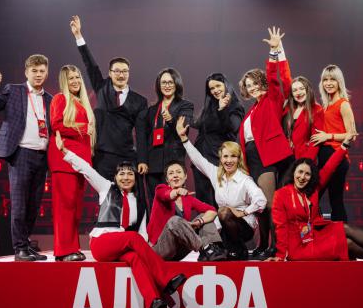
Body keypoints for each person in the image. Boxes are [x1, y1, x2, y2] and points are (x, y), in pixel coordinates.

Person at [55, 132, 186, 308]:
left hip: (121, 245)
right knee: (132, 238)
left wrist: (149, 249)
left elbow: (142, 234)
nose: (126, 177)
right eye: (122, 174)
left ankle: (153, 301)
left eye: (130, 174)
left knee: (135, 257)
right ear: (115, 177)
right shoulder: (106, 188)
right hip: (101, 243)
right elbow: (85, 169)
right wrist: (65, 152)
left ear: (135, 178)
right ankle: (166, 278)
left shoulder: (140, 203)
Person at [267, 135, 363, 261]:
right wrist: (280, 255)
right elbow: (280, 227)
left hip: (316, 235)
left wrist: (343, 146)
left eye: (307, 174)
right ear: (293, 173)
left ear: (311, 177)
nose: (302, 177)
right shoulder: (281, 195)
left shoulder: (313, 189)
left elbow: (329, 167)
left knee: (345, 227)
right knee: (348, 243)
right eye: (300, 172)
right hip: (299, 247)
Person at [0, 55, 52, 261]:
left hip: (42, 156)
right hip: (21, 153)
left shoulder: (50, 99)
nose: (38, 75)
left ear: (46, 73)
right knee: (20, 204)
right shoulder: (14, 90)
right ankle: (19, 248)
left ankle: (26, 244)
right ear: (26, 72)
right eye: (34, 71)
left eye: (41, 71)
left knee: (34, 205)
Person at [176, 116, 266, 260]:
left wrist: (243, 212)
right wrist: (184, 139)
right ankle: (216, 251)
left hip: (244, 228)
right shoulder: (216, 174)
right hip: (224, 226)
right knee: (206, 217)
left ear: (238, 159)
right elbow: (198, 160)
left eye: (233, 156)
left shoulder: (244, 180)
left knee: (223, 212)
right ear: (221, 158)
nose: (228, 160)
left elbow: (261, 200)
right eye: (225, 157)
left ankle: (238, 249)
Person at [69, 15, 148, 180]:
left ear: (129, 73)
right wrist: (78, 36)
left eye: (124, 71)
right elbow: (90, 65)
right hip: (102, 155)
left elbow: (141, 132)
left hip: (127, 156)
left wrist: (142, 159)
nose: (121, 75)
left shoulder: (140, 101)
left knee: (128, 195)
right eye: (117, 71)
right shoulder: (101, 87)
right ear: (110, 74)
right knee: (105, 194)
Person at [238, 26, 293, 259]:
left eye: (254, 83)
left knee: (269, 203)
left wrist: (274, 51)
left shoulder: (272, 98)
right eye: (248, 86)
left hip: (266, 156)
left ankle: (274, 247)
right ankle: (262, 245)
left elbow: (273, 77)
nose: (252, 88)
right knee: (260, 203)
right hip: (252, 158)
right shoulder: (252, 109)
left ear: (262, 82)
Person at [48, 65, 95, 261]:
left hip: (79, 162)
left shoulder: (82, 102)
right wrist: (83, 128)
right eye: (71, 78)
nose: (75, 81)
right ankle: (63, 251)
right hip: (64, 160)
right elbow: (56, 124)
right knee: (65, 207)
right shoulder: (60, 99)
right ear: (64, 82)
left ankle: (72, 248)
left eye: (77, 77)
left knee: (75, 209)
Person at [147, 161, 226, 262]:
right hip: (160, 249)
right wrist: (177, 191)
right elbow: (167, 195)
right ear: (167, 180)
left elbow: (212, 210)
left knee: (203, 216)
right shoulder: (160, 189)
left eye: (178, 172)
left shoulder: (187, 198)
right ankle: (205, 248)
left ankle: (213, 250)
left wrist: (199, 222)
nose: (175, 175)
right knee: (174, 221)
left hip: (178, 251)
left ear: (185, 176)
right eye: (171, 173)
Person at [311, 64, 357, 222]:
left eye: (332, 79)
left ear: (339, 82)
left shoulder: (343, 104)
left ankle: (342, 236)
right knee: (315, 197)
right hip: (325, 156)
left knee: (335, 201)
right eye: (325, 79)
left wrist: (327, 136)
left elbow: (352, 135)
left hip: (337, 156)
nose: (328, 83)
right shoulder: (326, 105)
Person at [191, 73, 245, 206]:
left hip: (218, 160)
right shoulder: (209, 107)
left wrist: (222, 109)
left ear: (226, 85)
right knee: (203, 203)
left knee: (220, 202)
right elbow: (197, 124)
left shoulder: (235, 106)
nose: (215, 90)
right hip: (200, 160)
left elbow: (232, 128)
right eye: (211, 88)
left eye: (218, 86)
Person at [145, 68, 194, 203]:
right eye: (164, 82)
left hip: (173, 163)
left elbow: (183, 130)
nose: (167, 85)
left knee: (175, 203)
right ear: (159, 85)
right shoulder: (152, 110)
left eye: (170, 82)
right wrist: (144, 161)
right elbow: (146, 137)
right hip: (153, 164)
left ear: (176, 84)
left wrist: (171, 120)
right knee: (154, 202)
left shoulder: (186, 106)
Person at [283, 76, 324, 161]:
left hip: (304, 158)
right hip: (287, 158)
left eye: (301, 89)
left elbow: (315, 141)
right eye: (295, 90)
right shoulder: (288, 109)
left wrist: (307, 162)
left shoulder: (317, 109)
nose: (298, 93)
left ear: (308, 90)